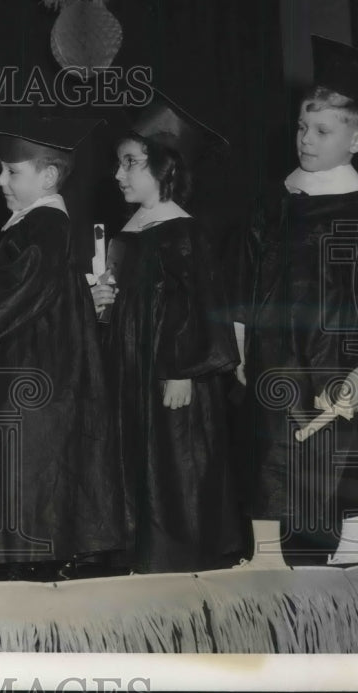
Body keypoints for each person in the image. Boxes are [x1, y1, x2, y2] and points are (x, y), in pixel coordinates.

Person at [235, 36, 358, 568]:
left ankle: (349, 553)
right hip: (275, 354)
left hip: (336, 358)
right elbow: (249, 279)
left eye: (323, 130)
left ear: (357, 139)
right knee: (269, 454)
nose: (306, 139)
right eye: (302, 126)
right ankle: (267, 557)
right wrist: (240, 346)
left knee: (347, 461)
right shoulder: (276, 202)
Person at [0, 119, 126, 582]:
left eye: (12, 172)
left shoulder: (46, 224)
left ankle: (31, 571)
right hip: (34, 375)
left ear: (48, 177)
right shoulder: (34, 225)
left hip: (33, 383)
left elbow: (21, 287)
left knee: (28, 482)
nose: (0, 182)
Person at [91, 94, 243, 574]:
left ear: (164, 167)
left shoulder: (185, 232)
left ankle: (177, 562)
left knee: (174, 468)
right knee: (135, 460)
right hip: (130, 372)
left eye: (130, 164)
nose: (119, 175)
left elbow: (204, 311)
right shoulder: (131, 230)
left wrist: (185, 371)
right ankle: (136, 557)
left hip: (173, 378)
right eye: (119, 164)